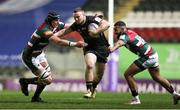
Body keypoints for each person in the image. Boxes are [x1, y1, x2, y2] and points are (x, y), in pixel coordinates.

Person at [19, 11, 86, 102]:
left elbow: (69, 26)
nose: (58, 22)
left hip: (39, 53)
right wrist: (75, 44)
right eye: (56, 20)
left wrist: (82, 23)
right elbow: (58, 41)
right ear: (50, 21)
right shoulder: (44, 30)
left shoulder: (54, 25)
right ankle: (25, 81)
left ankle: (35, 97)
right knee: (48, 80)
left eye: (58, 19)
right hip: (30, 57)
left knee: (46, 77)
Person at [109, 21, 180, 105]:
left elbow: (121, 42)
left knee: (128, 74)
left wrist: (112, 49)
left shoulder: (124, 35)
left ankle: (136, 99)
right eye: (114, 29)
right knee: (157, 77)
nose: (114, 31)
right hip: (153, 54)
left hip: (147, 56)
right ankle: (175, 94)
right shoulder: (130, 32)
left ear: (122, 28)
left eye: (116, 29)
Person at [52, 8, 110, 98]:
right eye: (74, 17)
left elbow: (106, 24)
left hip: (102, 48)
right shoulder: (76, 25)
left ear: (83, 15)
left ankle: (94, 88)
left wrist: (96, 32)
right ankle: (89, 90)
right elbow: (64, 31)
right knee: (90, 65)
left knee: (99, 75)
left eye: (78, 17)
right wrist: (52, 36)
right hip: (89, 47)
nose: (76, 19)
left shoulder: (92, 19)